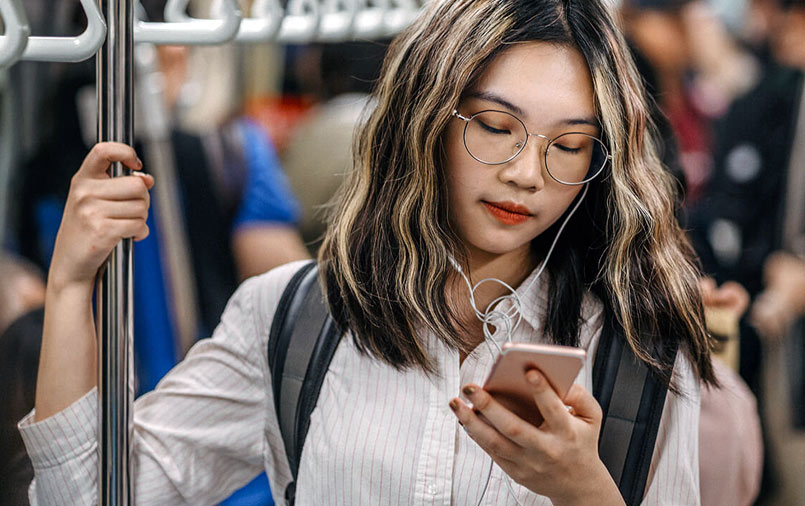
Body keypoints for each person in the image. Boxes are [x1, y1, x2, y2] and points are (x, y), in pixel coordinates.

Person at [19, 1, 715, 505]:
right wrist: (71, 284)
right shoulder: (294, 317)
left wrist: (582, 492)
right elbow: (86, 496)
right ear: (424, 119)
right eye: (497, 128)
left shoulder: (638, 349)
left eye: (567, 147)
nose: (527, 174)